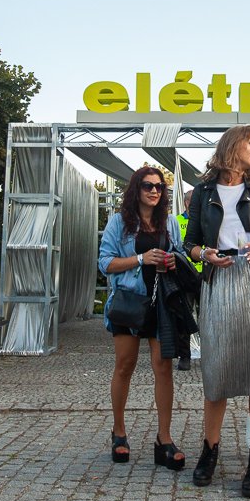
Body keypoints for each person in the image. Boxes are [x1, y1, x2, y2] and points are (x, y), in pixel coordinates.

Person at [182, 125, 250, 498]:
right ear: (233, 144)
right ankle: (209, 451)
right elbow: (189, 243)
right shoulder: (203, 191)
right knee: (216, 372)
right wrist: (205, 254)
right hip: (219, 281)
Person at [98, 166, 188, 471]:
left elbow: (180, 253)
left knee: (163, 368)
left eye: (159, 187)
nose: (154, 191)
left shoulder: (170, 222)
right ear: (136, 189)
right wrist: (140, 258)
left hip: (160, 303)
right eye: (148, 186)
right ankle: (119, 432)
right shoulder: (119, 223)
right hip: (129, 301)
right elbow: (105, 263)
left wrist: (173, 260)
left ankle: (164, 439)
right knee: (125, 366)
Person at [174, 190, 199, 372]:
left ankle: (212, 354)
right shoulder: (177, 221)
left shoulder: (205, 220)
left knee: (209, 316)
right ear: (186, 203)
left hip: (205, 274)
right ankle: (185, 356)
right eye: (193, 201)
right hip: (185, 275)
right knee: (184, 315)